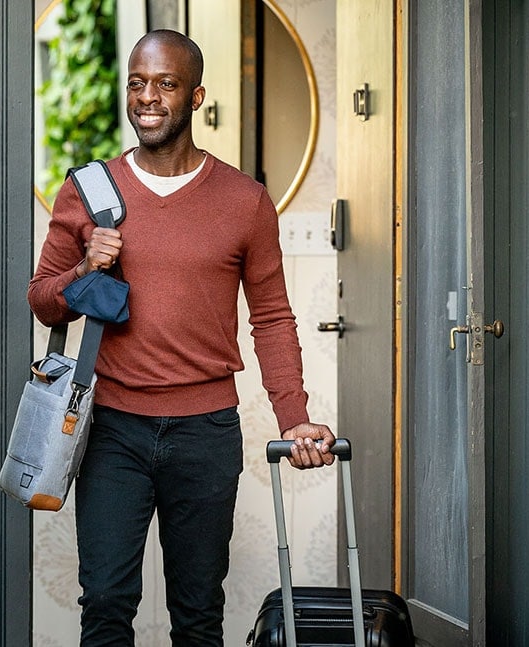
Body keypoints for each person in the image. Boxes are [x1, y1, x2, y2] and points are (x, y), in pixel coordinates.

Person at [27, 29, 337, 647]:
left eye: (165, 84)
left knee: (198, 613)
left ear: (195, 97)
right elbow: (41, 300)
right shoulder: (88, 191)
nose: (147, 97)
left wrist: (294, 417)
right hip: (112, 427)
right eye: (137, 84)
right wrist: (87, 268)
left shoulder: (245, 201)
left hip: (206, 433)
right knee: (107, 605)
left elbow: (272, 317)